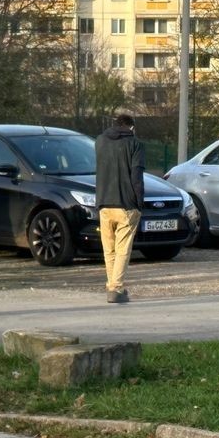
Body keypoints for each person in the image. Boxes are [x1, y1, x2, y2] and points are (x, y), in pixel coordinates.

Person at [95, 113, 145, 304]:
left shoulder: (99, 141)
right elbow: (137, 176)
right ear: (131, 127)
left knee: (109, 250)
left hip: (104, 202)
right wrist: (139, 203)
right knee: (123, 248)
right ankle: (116, 289)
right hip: (127, 204)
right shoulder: (135, 144)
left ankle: (111, 285)